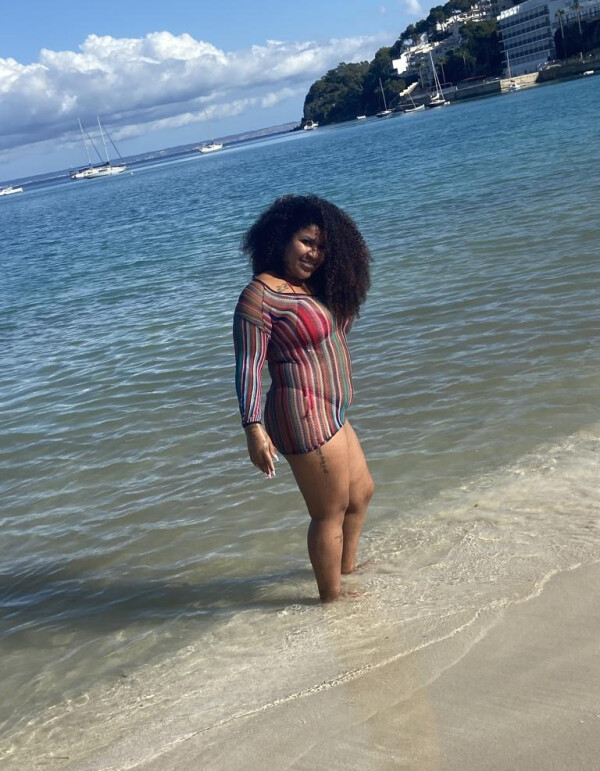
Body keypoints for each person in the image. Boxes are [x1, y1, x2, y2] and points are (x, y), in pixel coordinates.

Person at [233, 194, 374, 602]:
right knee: (328, 511)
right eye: (306, 242)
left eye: (322, 247)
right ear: (281, 239)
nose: (314, 253)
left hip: (332, 409)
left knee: (361, 493)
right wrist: (253, 428)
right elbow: (248, 365)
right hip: (302, 412)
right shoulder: (260, 295)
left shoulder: (310, 287)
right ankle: (331, 599)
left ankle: (346, 571)